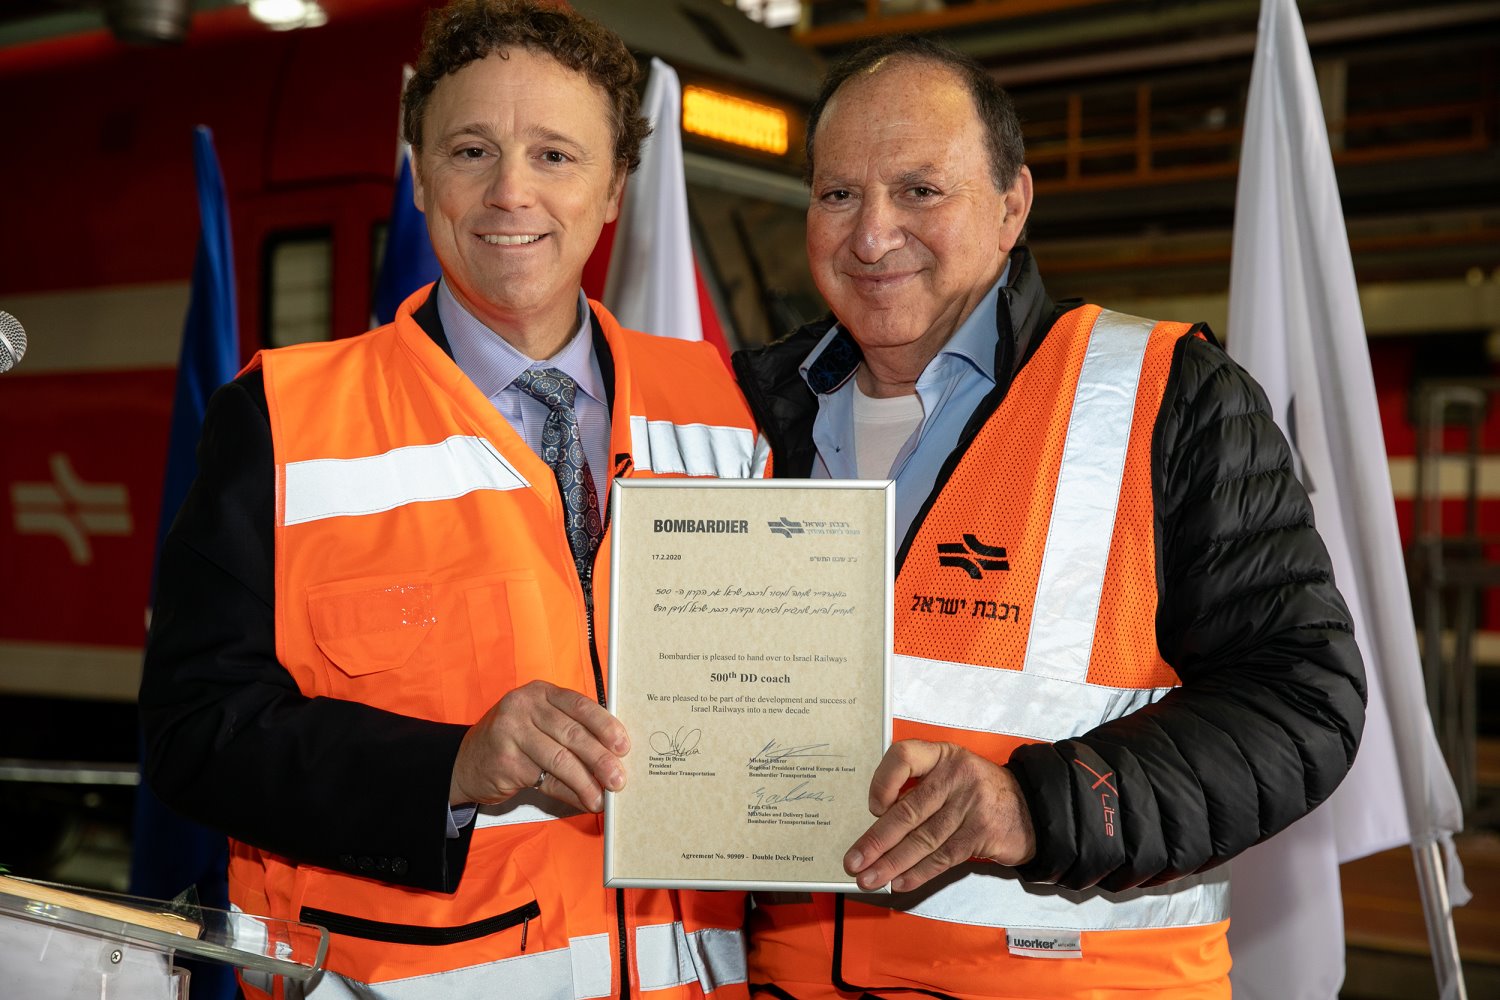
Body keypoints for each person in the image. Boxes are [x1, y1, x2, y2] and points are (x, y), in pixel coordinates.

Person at [139, 2, 764, 996]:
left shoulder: (729, 408)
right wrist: (454, 766)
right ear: (421, 175)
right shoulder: (279, 419)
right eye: (472, 151)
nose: (511, 190)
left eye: (555, 155)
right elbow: (194, 736)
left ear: (614, 188)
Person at [730, 36, 1366, 1000]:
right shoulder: (743, 410)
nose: (871, 235)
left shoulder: (1168, 396)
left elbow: (1303, 701)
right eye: (838, 194)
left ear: (1012, 205)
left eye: (920, 190)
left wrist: (1038, 805)